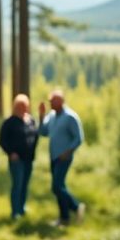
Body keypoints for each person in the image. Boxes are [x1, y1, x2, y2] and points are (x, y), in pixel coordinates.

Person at [38, 89, 86, 227]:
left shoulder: (70, 117)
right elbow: (43, 132)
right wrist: (41, 116)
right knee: (59, 187)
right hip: (53, 156)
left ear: (61, 101)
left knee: (57, 186)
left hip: (64, 157)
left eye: (53, 101)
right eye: (50, 101)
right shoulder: (51, 116)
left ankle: (76, 207)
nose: (51, 103)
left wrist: (68, 151)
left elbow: (78, 138)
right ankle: (64, 219)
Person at [0, 94, 39, 220]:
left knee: (25, 184)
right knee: (18, 184)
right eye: (19, 106)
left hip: (29, 159)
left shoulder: (30, 120)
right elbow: (2, 141)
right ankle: (15, 212)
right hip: (17, 160)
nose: (22, 108)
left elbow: (35, 135)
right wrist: (11, 153)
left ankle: (22, 208)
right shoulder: (9, 122)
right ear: (15, 107)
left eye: (24, 106)